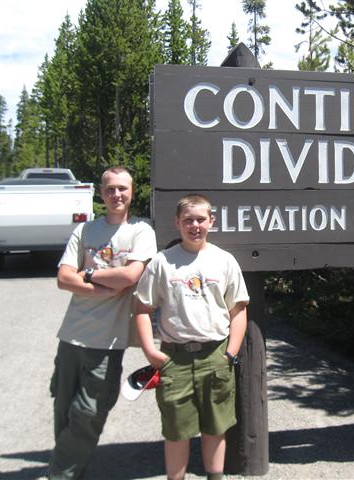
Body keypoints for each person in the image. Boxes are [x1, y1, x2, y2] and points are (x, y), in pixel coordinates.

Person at [49, 166, 157, 479]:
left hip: (108, 341)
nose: (116, 194)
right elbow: (63, 278)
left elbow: (129, 275)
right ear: (101, 193)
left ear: (132, 191)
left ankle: (59, 474)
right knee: (64, 408)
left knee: (89, 412)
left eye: (122, 188)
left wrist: (88, 274)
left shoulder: (141, 231)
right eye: (110, 189)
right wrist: (103, 288)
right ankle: (70, 470)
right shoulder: (85, 230)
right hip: (71, 335)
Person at [134, 193, 249, 480]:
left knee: (216, 427)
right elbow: (142, 309)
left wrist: (230, 353)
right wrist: (150, 351)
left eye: (200, 219)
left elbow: (238, 311)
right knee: (176, 431)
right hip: (175, 359)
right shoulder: (162, 262)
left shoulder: (224, 261)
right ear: (177, 223)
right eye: (188, 220)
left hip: (216, 355)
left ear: (211, 221)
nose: (194, 225)